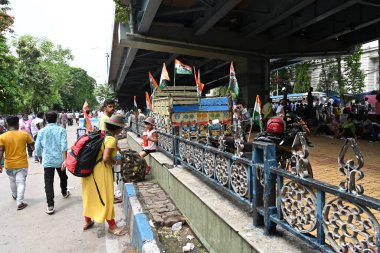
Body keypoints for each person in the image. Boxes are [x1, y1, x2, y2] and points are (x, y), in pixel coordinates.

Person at [81, 114, 126, 236]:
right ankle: (112, 226)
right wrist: (116, 162)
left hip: (89, 170)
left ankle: (88, 221)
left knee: (89, 196)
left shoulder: (100, 134)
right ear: (117, 128)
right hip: (101, 172)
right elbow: (106, 158)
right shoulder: (111, 139)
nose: (122, 130)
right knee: (106, 198)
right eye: (121, 128)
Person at [35, 112, 70, 215]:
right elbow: (64, 146)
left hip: (48, 160)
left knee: (48, 182)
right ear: (57, 118)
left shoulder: (41, 131)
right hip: (60, 160)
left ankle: (50, 205)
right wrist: (65, 160)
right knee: (63, 177)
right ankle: (64, 192)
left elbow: (37, 148)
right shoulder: (61, 130)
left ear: (45, 119)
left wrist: (40, 157)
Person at [0, 115, 34, 210]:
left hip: (9, 164)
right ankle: (20, 202)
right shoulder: (24, 134)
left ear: (7, 124)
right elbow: (32, 146)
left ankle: (15, 195)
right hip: (22, 164)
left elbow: (1, 151)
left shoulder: (2, 136)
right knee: (21, 182)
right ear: (17, 124)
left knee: (12, 181)